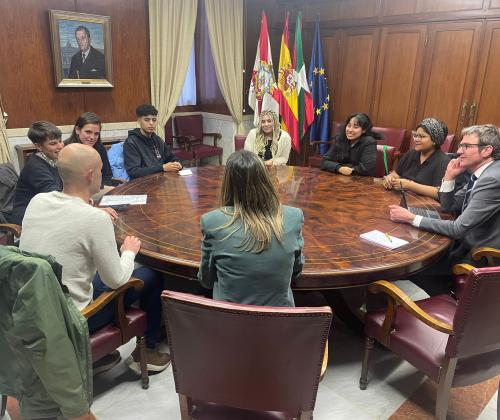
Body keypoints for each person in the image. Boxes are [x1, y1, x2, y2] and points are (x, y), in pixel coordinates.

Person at [19, 143, 170, 374]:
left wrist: (91, 208)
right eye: (100, 169)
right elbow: (116, 280)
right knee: (149, 274)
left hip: (34, 309)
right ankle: (146, 352)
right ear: (91, 175)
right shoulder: (94, 219)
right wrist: (128, 251)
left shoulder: (38, 201)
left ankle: (102, 357)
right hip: (73, 320)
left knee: (95, 269)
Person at [389, 124, 500, 292]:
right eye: (460, 145)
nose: (459, 151)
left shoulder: (491, 179)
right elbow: (449, 206)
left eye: (466, 146)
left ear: (486, 151)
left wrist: (412, 218)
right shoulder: (479, 172)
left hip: (479, 256)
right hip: (464, 243)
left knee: (406, 267)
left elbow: (458, 229)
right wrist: (449, 176)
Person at [197, 150, 304, 307]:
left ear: (228, 183)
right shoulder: (293, 216)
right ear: (265, 179)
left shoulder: (212, 222)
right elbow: (296, 271)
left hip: (230, 322)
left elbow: (205, 280)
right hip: (280, 323)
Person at [9, 121, 64, 225]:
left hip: (45, 210)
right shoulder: (35, 167)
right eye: (53, 143)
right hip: (27, 217)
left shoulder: (53, 159)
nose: (60, 146)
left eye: (60, 141)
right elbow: (55, 195)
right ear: (38, 146)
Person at [383, 118, 450, 199]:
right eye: (416, 136)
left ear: (434, 140)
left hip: (425, 205)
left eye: (422, 136)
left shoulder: (443, 161)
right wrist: (390, 179)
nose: (416, 139)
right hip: (400, 198)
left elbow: (438, 192)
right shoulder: (411, 153)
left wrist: (409, 185)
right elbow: (396, 174)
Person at [124, 104, 182, 180]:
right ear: (139, 120)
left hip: (161, 180)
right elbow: (134, 171)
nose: (151, 123)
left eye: (154, 120)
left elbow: (171, 157)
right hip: (142, 184)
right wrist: (162, 168)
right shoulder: (131, 142)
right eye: (147, 120)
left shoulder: (158, 140)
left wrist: (177, 163)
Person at [320, 112, 380, 176]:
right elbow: (324, 162)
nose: (350, 130)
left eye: (355, 127)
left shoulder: (369, 142)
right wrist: (339, 168)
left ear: (364, 130)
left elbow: (366, 169)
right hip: (340, 179)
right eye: (348, 126)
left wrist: (342, 168)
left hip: (361, 181)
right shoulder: (340, 139)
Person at [65, 111, 113, 188]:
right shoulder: (66, 149)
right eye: (88, 132)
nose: (92, 137)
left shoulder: (99, 147)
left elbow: (107, 174)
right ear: (77, 130)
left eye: (96, 133)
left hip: (98, 189)